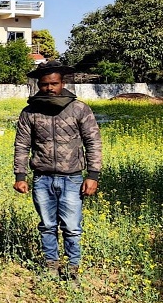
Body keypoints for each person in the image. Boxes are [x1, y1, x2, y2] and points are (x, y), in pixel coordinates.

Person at [13, 60, 102, 279]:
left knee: (72, 227)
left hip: (72, 178)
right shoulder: (30, 112)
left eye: (54, 83)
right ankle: (51, 267)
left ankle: (73, 269)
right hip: (42, 178)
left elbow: (93, 141)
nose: (49, 88)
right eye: (44, 84)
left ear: (62, 83)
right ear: (38, 85)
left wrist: (93, 175)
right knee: (47, 225)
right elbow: (22, 144)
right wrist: (20, 175)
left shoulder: (79, 108)